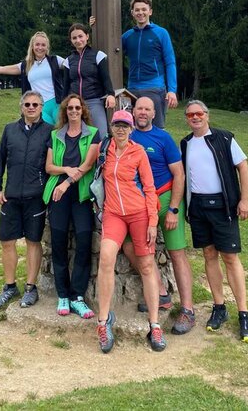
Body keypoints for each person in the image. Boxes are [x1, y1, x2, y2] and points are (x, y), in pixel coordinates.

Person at [180, 99, 248, 342]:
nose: (195, 117)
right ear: (187, 119)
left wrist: (245, 200)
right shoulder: (186, 143)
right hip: (198, 206)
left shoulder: (224, 138)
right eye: (190, 114)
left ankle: (244, 313)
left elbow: (243, 167)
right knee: (209, 254)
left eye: (199, 113)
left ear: (207, 115)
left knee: (230, 257)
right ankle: (219, 306)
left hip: (224, 206)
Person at [122, 97, 195, 335]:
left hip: (164, 198)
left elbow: (179, 174)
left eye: (147, 109)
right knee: (130, 246)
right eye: (139, 108)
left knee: (176, 252)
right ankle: (161, 293)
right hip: (140, 202)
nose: (142, 112)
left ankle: (188, 309)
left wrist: (173, 209)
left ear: (154, 113)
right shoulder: (126, 136)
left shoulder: (163, 138)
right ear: (133, 112)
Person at [96, 110, 166, 354]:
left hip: (139, 214)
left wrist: (153, 221)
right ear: (111, 127)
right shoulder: (104, 150)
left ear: (131, 129)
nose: (121, 129)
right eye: (117, 125)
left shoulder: (139, 152)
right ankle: (103, 321)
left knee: (146, 265)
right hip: (113, 213)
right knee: (106, 258)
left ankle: (154, 324)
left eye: (125, 125)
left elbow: (149, 188)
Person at [0, 90, 53, 310]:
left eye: (35, 104)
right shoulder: (9, 130)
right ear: (21, 107)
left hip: (36, 197)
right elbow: (0, 159)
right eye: (27, 104)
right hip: (11, 196)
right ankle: (9, 287)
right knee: (7, 241)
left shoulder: (49, 132)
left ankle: (30, 288)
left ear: (42, 107)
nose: (31, 107)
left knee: (33, 241)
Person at [44, 94, 100, 318]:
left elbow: (87, 166)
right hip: (58, 194)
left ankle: (77, 296)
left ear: (83, 110)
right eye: (70, 108)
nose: (74, 111)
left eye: (77, 108)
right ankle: (63, 295)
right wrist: (65, 169)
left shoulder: (93, 134)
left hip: (81, 194)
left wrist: (67, 181)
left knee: (84, 241)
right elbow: (49, 167)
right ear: (65, 111)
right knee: (58, 242)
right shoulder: (55, 135)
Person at [0, 31, 64, 125]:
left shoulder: (55, 60)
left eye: (43, 45)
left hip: (57, 103)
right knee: (46, 133)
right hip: (39, 107)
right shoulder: (25, 65)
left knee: (62, 131)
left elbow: (71, 65)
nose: (40, 48)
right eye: (37, 44)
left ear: (47, 47)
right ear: (32, 46)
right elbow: (2, 69)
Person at [121, 0, 178, 128]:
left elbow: (170, 62)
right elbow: (110, 49)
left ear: (150, 11)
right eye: (137, 10)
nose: (140, 12)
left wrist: (172, 90)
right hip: (131, 89)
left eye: (144, 9)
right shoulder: (128, 36)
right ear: (132, 13)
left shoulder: (161, 33)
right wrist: (93, 26)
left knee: (156, 128)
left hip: (154, 87)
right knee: (129, 128)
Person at [63, 23, 116, 138]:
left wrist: (111, 94)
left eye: (80, 36)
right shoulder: (68, 60)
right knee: (76, 135)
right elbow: (66, 85)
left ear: (87, 36)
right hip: (75, 104)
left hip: (94, 101)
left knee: (101, 134)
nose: (78, 40)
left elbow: (105, 78)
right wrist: (63, 105)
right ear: (71, 40)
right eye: (74, 38)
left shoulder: (98, 55)